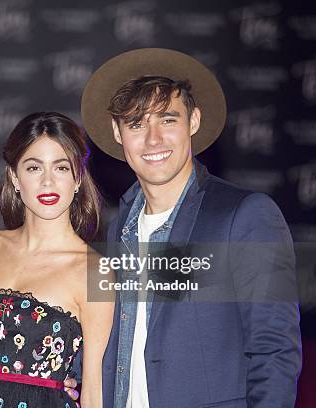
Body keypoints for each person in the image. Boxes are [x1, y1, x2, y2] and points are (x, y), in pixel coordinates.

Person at [80, 48, 302, 407]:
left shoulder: (245, 215)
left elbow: (274, 351)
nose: (153, 139)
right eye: (136, 124)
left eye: (167, 119)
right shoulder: (119, 227)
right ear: (117, 134)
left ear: (193, 121)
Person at [0, 112, 113, 408]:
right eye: (34, 167)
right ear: (14, 176)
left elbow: (94, 389)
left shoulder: (95, 271)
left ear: (78, 178)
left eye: (61, 168)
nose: (48, 181)